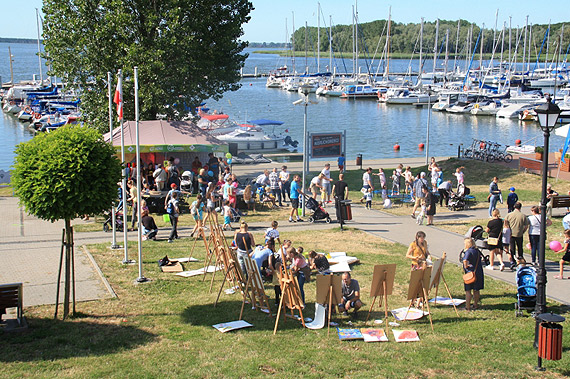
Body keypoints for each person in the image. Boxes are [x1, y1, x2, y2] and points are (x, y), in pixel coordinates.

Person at [504, 202, 530, 269]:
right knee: (520, 247)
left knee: (512, 248)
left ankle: (513, 261)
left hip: (511, 234)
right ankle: (521, 259)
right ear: (520, 207)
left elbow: (506, 224)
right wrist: (522, 231)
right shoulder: (523, 216)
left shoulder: (509, 215)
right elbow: (526, 226)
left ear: (514, 207)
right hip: (519, 234)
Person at [463, 237, 484, 311]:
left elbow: (465, 260)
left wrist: (466, 266)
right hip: (478, 272)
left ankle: (467, 307)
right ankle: (475, 304)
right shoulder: (477, 251)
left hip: (470, 274)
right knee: (476, 290)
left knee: (468, 290)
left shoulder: (468, 252)